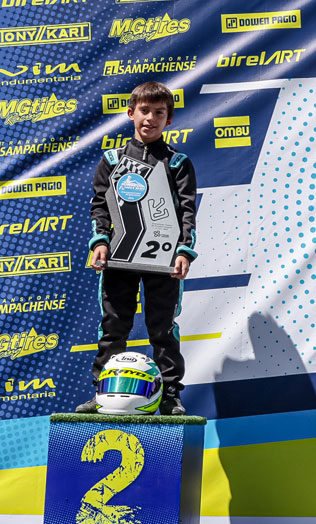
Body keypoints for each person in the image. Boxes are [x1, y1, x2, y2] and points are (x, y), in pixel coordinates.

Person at [77, 81, 198, 415]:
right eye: (144, 111)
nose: (150, 118)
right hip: (120, 257)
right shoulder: (112, 160)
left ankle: (170, 395)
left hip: (163, 259)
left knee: (163, 328)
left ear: (169, 120)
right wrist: (100, 242)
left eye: (159, 113)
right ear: (131, 113)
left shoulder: (177, 163)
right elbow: (100, 207)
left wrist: (184, 250)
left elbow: (188, 211)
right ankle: (102, 391)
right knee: (113, 327)